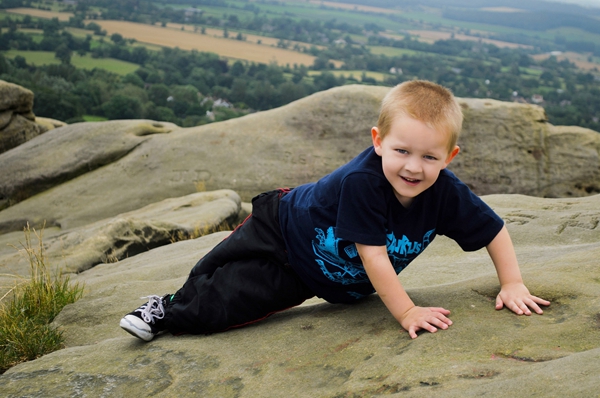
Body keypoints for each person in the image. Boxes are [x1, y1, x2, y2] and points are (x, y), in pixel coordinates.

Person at [120, 80, 550, 342]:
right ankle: (164, 306)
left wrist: (512, 283)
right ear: (378, 141)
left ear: (450, 156)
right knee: (213, 265)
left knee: (232, 298)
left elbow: (494, 230)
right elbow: (373, 255)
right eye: (401, 150)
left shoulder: (446, 193)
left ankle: (174, 311)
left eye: (430, 157)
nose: (414, 167)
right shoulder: (364, 182)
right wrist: (406, 311)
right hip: (283, 224)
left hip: (306, 273)